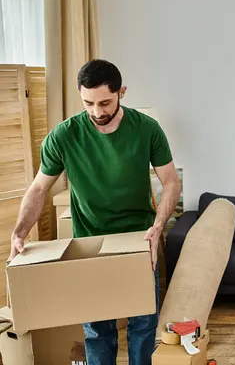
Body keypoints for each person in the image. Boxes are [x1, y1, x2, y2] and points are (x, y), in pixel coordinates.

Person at [8, 59, 181, 365]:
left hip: (138, 241)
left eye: (105, 102)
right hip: (90, 243)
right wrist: (20, 232)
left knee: (143, 328)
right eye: (89, 103)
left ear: (122, 92)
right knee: (98, 331)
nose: (97, 112)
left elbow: (170, 182)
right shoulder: (64, 135)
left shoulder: (147, 129)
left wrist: (157, 228)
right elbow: (38, 189)